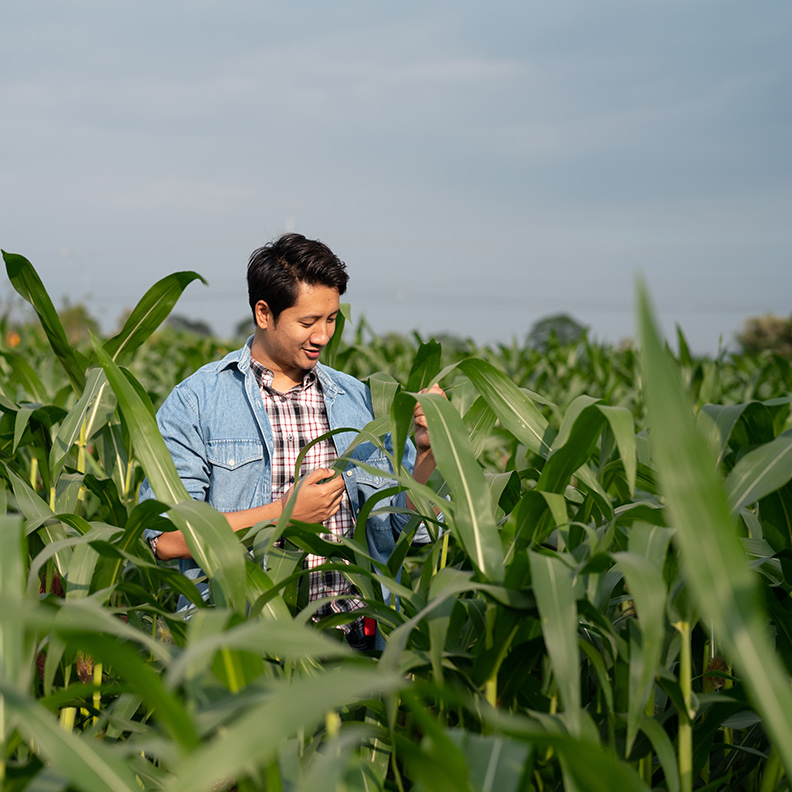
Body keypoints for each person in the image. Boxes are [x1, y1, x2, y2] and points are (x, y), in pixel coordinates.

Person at [140, 232, 443, 649]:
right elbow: (166, 539)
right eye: (307, 322)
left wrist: (428, 453)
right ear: (264, 313)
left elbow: (405, 529)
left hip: (356, 641)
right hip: (244, 645)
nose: (322, 336)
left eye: (332, 319)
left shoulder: (362, 402)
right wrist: (280, 514)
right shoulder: (198, 402)